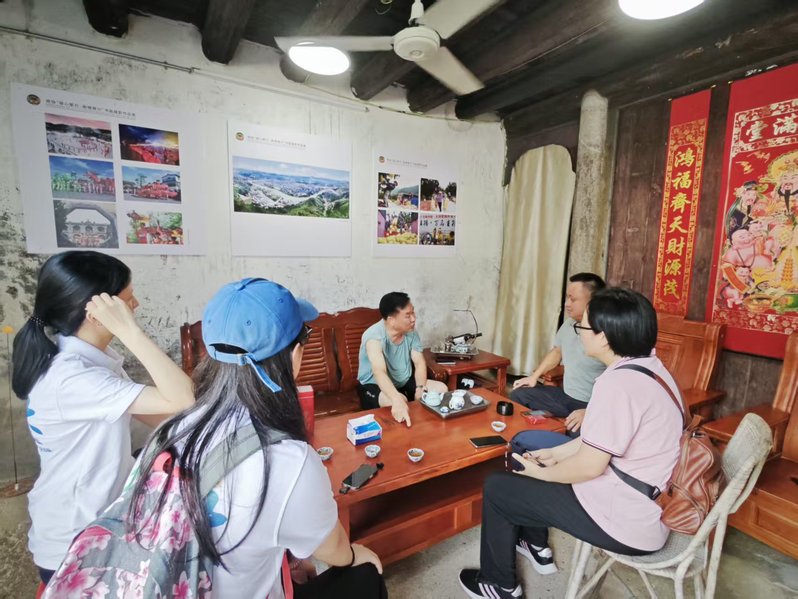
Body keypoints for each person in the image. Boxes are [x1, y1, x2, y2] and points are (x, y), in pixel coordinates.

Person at [128, 278, 386, 598]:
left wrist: (290, 559)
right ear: (295, 356)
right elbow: (335, 551)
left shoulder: (170, 430)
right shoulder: (287, 460)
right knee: (366, 571)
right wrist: (358, 554)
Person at [458, 288, 683, 599]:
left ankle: (499, 585)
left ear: (604, 337)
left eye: (583, 326)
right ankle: (535, 544)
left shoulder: (617, 385)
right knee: (527, 444)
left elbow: (589, 466)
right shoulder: (654, 370)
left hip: (625, 520)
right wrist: (551, 453)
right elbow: (596, 444)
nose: (580, 333)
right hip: (645, 500)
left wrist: (541, 473)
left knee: (498, 487)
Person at [11, 250, 195, 585]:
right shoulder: (73, 378)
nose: (136, 304)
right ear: (96, 313)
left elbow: (168, 414)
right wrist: (131, 332)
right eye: (127, 300)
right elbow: (183, 399)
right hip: (77, 541)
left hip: (94, 523)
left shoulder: (90, 361)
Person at [511, 273, 607, 434]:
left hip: (590, 405)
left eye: (573, 299)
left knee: (578, 435)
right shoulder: (569, 324)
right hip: (565, 397)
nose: (567, 304)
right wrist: (534, 377)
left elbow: (619, 390)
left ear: (593, 301)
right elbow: (557, 351)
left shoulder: (605, 335)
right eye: (567, 298)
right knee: (519, 395)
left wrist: (590, 411)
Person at [357, 292, 448, 426]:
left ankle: (426, 430)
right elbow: (379, 372)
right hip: (374, 385)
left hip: (403, 381)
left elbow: (419, 362)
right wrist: (396, 398)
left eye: (413, 313)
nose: (413, 319)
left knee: (441, 389)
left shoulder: (411, 332)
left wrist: (420, 388)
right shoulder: (373, 337)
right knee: (399, 400)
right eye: (407, 315)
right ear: (391, 320)